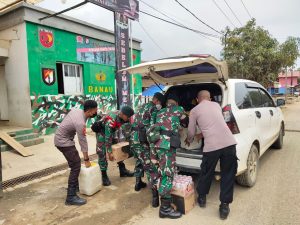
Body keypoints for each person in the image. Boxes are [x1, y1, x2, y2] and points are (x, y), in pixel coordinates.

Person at [185, 90, 238, 220]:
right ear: (210, 98)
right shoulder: (216, 106)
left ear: (197, 99)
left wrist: (189, 139)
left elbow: (191, 131)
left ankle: (202, 198)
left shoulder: (194, 111)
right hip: (229, 143)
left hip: (212, 147)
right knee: (228, 174)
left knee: (206, 172)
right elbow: (215, 125)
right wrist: (201, 134)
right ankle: (224, 206)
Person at [148, 94, 186, 219]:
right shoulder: (178, 109)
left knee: (160, 172)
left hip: (158, 144)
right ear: (175, 102)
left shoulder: (160, 111)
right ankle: (165, 209)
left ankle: (157, 200)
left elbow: (155, 128)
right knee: (167, 175)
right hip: (167, 146)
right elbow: (185, 121)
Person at [54, 100, 98, 206]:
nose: (96, 112)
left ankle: (77, 186)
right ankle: (70, 197)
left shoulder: (77, 111)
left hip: (61, 139)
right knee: (76, 165)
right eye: (95, 110)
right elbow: (82, 141)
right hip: (63, 142)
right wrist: (87, 160)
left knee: (74, 164)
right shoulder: (80, 123)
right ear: (90, 111)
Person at [130, 92, 165, 192]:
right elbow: (152, 127)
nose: (160, 105)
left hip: (133, 138)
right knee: (149, 165)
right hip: (143, 140)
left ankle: (138, 183)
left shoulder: (141, 105)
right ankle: (154, 196)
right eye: (160, 103)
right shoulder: (153, 108)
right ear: (157, 100)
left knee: (139, 159)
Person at [93, 106, 135, 186]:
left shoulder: (123, 117)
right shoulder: (111, 120)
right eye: (128, 117)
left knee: (118, 149)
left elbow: (127, 131)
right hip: (102, 132)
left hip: (112, 131)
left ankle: (122, 170)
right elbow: (108, 137)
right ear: (122, 114)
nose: (129, 118)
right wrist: (109, 152)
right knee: (101, 152)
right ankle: (104, 175)